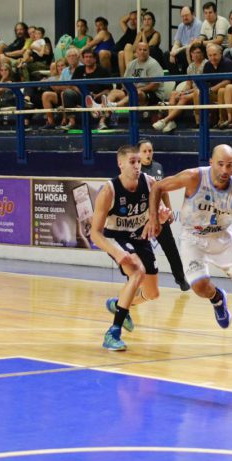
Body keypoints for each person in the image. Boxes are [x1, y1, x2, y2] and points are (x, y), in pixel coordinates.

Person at [143, 144, 232, 346]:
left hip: (222, 237)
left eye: (229, 165)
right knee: (199, 287)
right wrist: (154, 217)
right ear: (211, 163)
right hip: (193, 238)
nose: (225, 170)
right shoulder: (194, 177)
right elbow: (157, 187)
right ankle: (217, 298)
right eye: (220, 164)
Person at [90, 145, 166, 351]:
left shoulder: (150, 183)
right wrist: (117, 252)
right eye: (132, 162)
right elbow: (94, 233)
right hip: (116, 237)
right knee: (137, 272)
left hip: (139, 237)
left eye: (138, 162)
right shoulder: (109, 190)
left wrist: (161, 217)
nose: (137, 166)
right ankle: (113, 332)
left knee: (152, 293)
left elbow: (158, 217)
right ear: (120, 164)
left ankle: (120, 304)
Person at [138, 139, 191, 291]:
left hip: (159, 215)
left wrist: (169, 209)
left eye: (150, 151)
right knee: (140, 248)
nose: (148, 154)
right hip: (143, 217)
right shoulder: (136, 170)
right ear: (138, 154)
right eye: (144, 151)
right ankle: (136, 280)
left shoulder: (158, 167)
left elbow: (164, 191)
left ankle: (180, 278)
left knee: (170, 247)